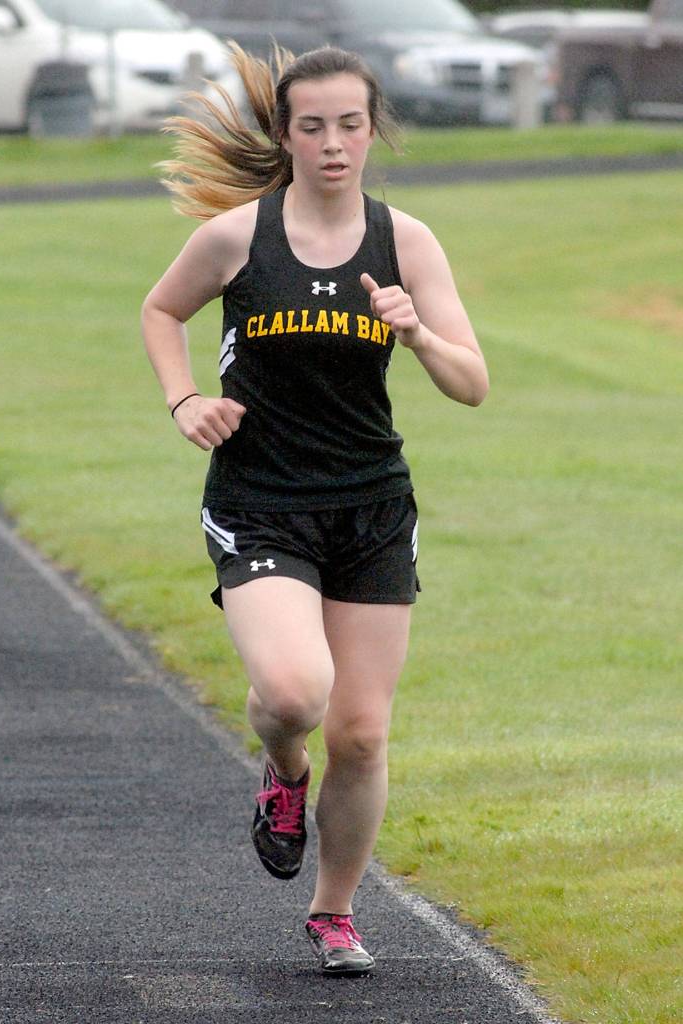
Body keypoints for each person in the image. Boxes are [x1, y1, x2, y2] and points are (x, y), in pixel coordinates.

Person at [141, 44, 488, 977]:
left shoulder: (404, 240)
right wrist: (185, 402)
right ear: (285, 137)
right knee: (294, 694)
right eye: (312, 126)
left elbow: (473, 384)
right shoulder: (235, 238)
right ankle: (284, 772)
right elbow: (160, 312)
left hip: (370, 506)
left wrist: (414, 333)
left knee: (363, 731)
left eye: (350, 124)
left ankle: (333, 913)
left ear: (372, 130)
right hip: (259, 503)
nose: (333, 144)